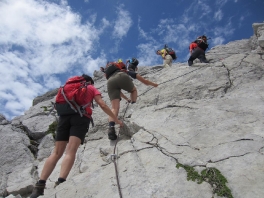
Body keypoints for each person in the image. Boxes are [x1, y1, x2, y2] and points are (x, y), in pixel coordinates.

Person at [30, 74, 123, 198]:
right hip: (80, 118)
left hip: (63, 118)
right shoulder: (90, 88)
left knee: (56, 152)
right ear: (90, 82)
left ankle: (39, 187)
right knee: (71, 151)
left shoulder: (67, 87)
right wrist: (116, 120)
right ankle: (61, 182)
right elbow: (102, 104)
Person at [103, 62, 138, 140]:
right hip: (120, 75)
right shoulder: (117, 65)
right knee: (133, 90)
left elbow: (118, 91)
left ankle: (111, 127)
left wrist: (126, 99)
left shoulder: (107, 71)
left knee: (114, 108)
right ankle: (133, 103)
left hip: (110, 81)